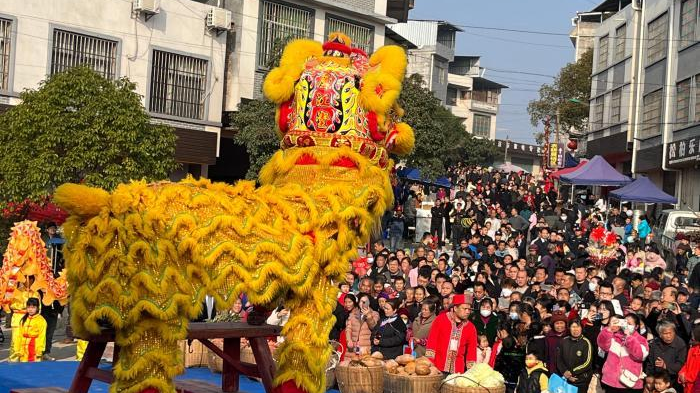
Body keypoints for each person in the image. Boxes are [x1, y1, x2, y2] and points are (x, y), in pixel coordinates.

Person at [425, 294, 478, 373]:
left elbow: (472, 351)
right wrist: (430, 364)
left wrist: (471, 371)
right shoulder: (440, 319)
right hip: (437, 367)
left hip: (458, 370)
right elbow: (432, 342)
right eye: (464, 309)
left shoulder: (471, 327)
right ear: (455, 308)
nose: (467, 312)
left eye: (469, 309)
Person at [597, 314, 649, 393]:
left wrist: (629, 338)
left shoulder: (641, 340)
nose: (626, 326)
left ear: (636, 326)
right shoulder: (615, 336)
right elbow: (603, 345)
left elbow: (640, 355)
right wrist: (609, 329)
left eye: (630, 324)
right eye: (625, 323)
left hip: (629, 382)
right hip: (611, 381)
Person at [645, 321, 687, 392]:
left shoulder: (680, 344)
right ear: (660, 334)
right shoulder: (655, 343)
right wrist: (649, 376)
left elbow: (681, 364)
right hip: (657, 381)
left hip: (673, 381)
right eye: (665, 333)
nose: (669, 336)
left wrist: (665, 366)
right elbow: (650, 362)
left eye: (671, 332)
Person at [557, 318, 593, 393]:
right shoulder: (564, 341)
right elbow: (559, 359)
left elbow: (587, 363)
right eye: (573, 327)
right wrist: (564, 372)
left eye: (578, 327)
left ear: (581, 328)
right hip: (566, 379)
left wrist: (571, 372)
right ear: (569, 328)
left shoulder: (586, 342)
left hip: (581, 380)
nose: (575, 329)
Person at [10, 298, 47, 362]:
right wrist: (17, 348)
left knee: (35, 367)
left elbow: (42, 336)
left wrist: (40, 350)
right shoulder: (23, 320)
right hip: (23, 348)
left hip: (34, 347)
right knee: (23, 367)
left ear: (37, 308)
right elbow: (19, 335)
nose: (30, 309)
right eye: (29, 307)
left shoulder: (41, 320)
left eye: (33, 307)